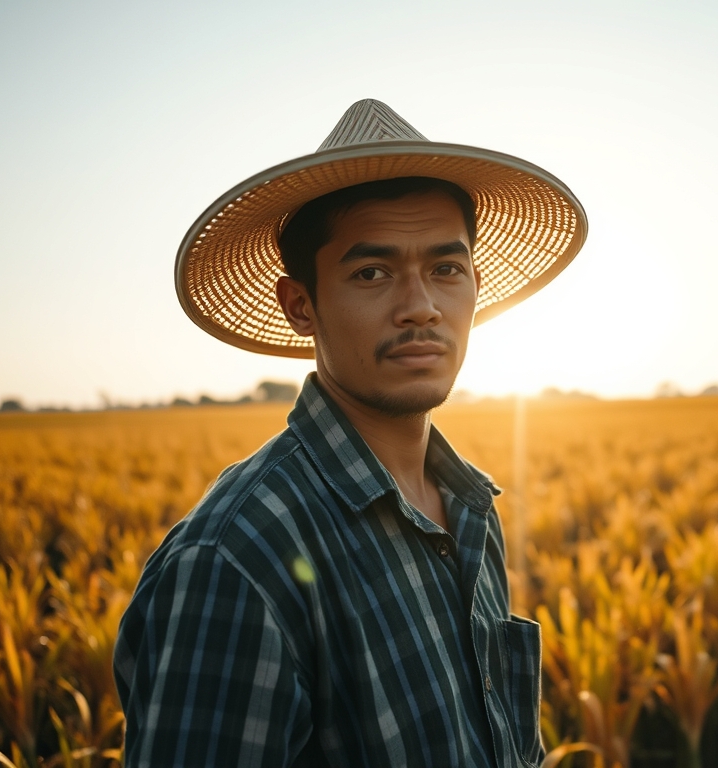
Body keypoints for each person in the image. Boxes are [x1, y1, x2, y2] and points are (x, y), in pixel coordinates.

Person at [113, 99, 587, 767]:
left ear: (476, 285)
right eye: (372, 273)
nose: (421, 306)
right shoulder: (237, 559)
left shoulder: (469, 508)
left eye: (446, 269)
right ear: (300, 304)